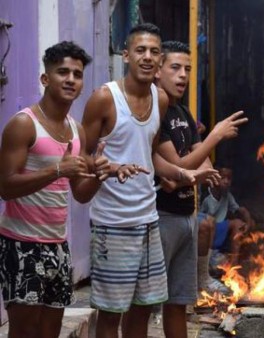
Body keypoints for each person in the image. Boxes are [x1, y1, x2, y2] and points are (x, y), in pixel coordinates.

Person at [81, 23, 199, 338]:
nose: (147, 57)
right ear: (126, 55)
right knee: (110, 315)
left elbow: (148, 153)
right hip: (112, 224)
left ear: (159, 61)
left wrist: (178, 173)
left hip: (148, 220)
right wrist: (108, 166)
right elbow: (81, 161)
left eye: (154, 51)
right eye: (140, 50)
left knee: (143, 309)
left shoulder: (159, 100)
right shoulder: (104, 98)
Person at [0, 41, 109, 338]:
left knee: (51, 331)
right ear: (45, 79)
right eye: (63, 72)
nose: (71, 79)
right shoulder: (23, 124)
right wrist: (57, 169)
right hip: (21, 244)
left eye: (77, 73)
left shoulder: (77, 130)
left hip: (57, 246)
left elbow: (80, 193)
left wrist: (100, 175)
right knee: (24, 332)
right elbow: (5, 187)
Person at [153, 40, 247, 337]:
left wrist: (202, 168)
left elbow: (198, 162)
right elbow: (179, 166)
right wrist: (215, 136)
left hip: (185, 213)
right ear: (157, 71)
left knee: (180, 301)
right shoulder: (157, 114)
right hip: (160, 215)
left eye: (188, 69)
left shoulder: (182, 111)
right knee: (149, 301)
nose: (183, 75)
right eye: (175, 68)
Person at [198, 166, 254, 270]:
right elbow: (199, 220)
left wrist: (248, 222)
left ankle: (234, 265)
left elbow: (241, 210)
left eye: (229, 178)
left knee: (239, 223)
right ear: (214, 177)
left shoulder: (227, 195)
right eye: (222, 177)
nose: (226, 181)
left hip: (219, 230)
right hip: (207, 232)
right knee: (211, 222)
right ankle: (208, 259)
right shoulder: (206, 197)